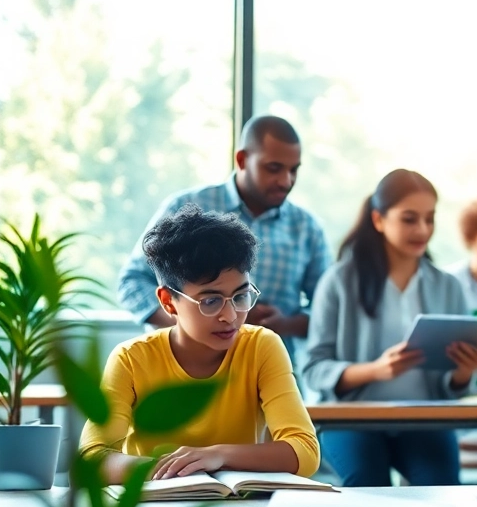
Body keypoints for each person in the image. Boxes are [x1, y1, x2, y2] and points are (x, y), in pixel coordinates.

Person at [81, 204, 319, 484]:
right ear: (169, 301)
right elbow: (93, 458)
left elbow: (305, 451)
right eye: (210, 301)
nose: (230, 316)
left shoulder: (261, 346)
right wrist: (177, 469)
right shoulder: (132, 359)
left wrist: (217, 455)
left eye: (240, 297)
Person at [303, 170, 477, 487]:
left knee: (441, 483)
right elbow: (314, 368)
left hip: (425, 420)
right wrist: (375, 371)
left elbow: (453, 385)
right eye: (409, 219)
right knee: (365, 483)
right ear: (378, 220)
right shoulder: (338, 281)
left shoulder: (448, 287)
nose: (423, 230)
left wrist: (463, 373)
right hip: (352, 418)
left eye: (430, 219)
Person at [118, 116, 330, 355]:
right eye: (274, 168)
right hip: (183, 374)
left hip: (267, 373)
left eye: (294, 170)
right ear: (242, 160)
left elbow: (330, 310)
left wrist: (286, 324)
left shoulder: (307, 228)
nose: (286, 181)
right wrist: (197, 322)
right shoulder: (185, 207)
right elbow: (132, 283)